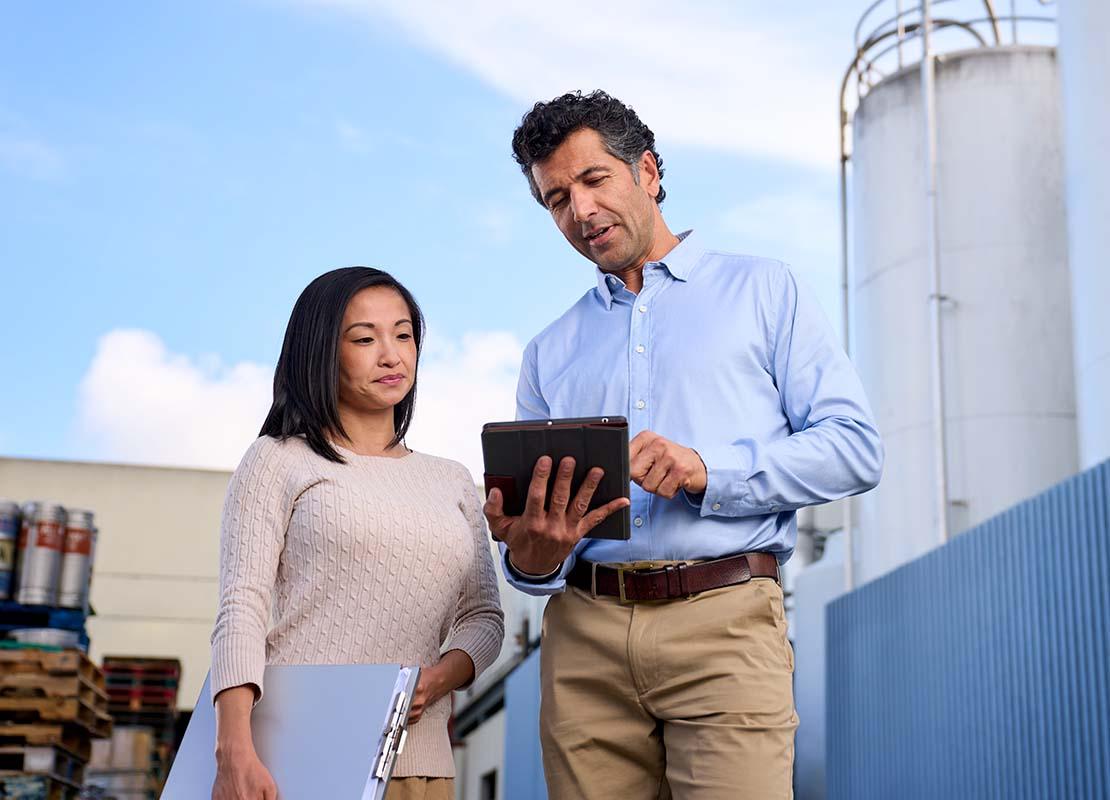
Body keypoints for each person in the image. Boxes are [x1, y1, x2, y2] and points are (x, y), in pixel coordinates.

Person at [483, 90, 883, 799]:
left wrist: (709, 471)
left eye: (593, 179)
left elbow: (854, 447)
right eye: (554, 199)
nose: (579, 211)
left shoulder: (766, 291)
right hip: (584, 641)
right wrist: (533, 552)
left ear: (649, 171)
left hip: (725, 624)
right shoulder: (549, 353)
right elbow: (532, 563)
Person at [209, 267, 504, 800]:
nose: (391, 355)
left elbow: (483, 617)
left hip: (419, 763)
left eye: (404, 334)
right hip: (295, 753)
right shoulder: (277, 460)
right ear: (322, 352)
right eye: (365, 339)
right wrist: (233, 748)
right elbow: (242, 606)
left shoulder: (452, 479)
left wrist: (434, 680)